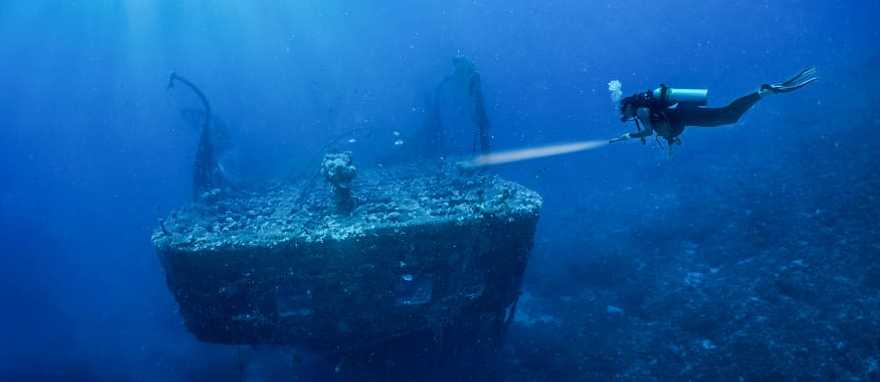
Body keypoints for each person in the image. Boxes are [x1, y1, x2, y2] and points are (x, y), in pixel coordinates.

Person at [611, 67, 818, 146]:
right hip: (684, 115)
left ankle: (762, 92)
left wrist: (628, 137)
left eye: (624, 111)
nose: (626, 115)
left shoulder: (641, 110)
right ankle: (762, 93)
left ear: (629, 106)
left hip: (685, 115)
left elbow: (648, 131)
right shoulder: (644, 108)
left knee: (728, 115)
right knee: (728, 116)